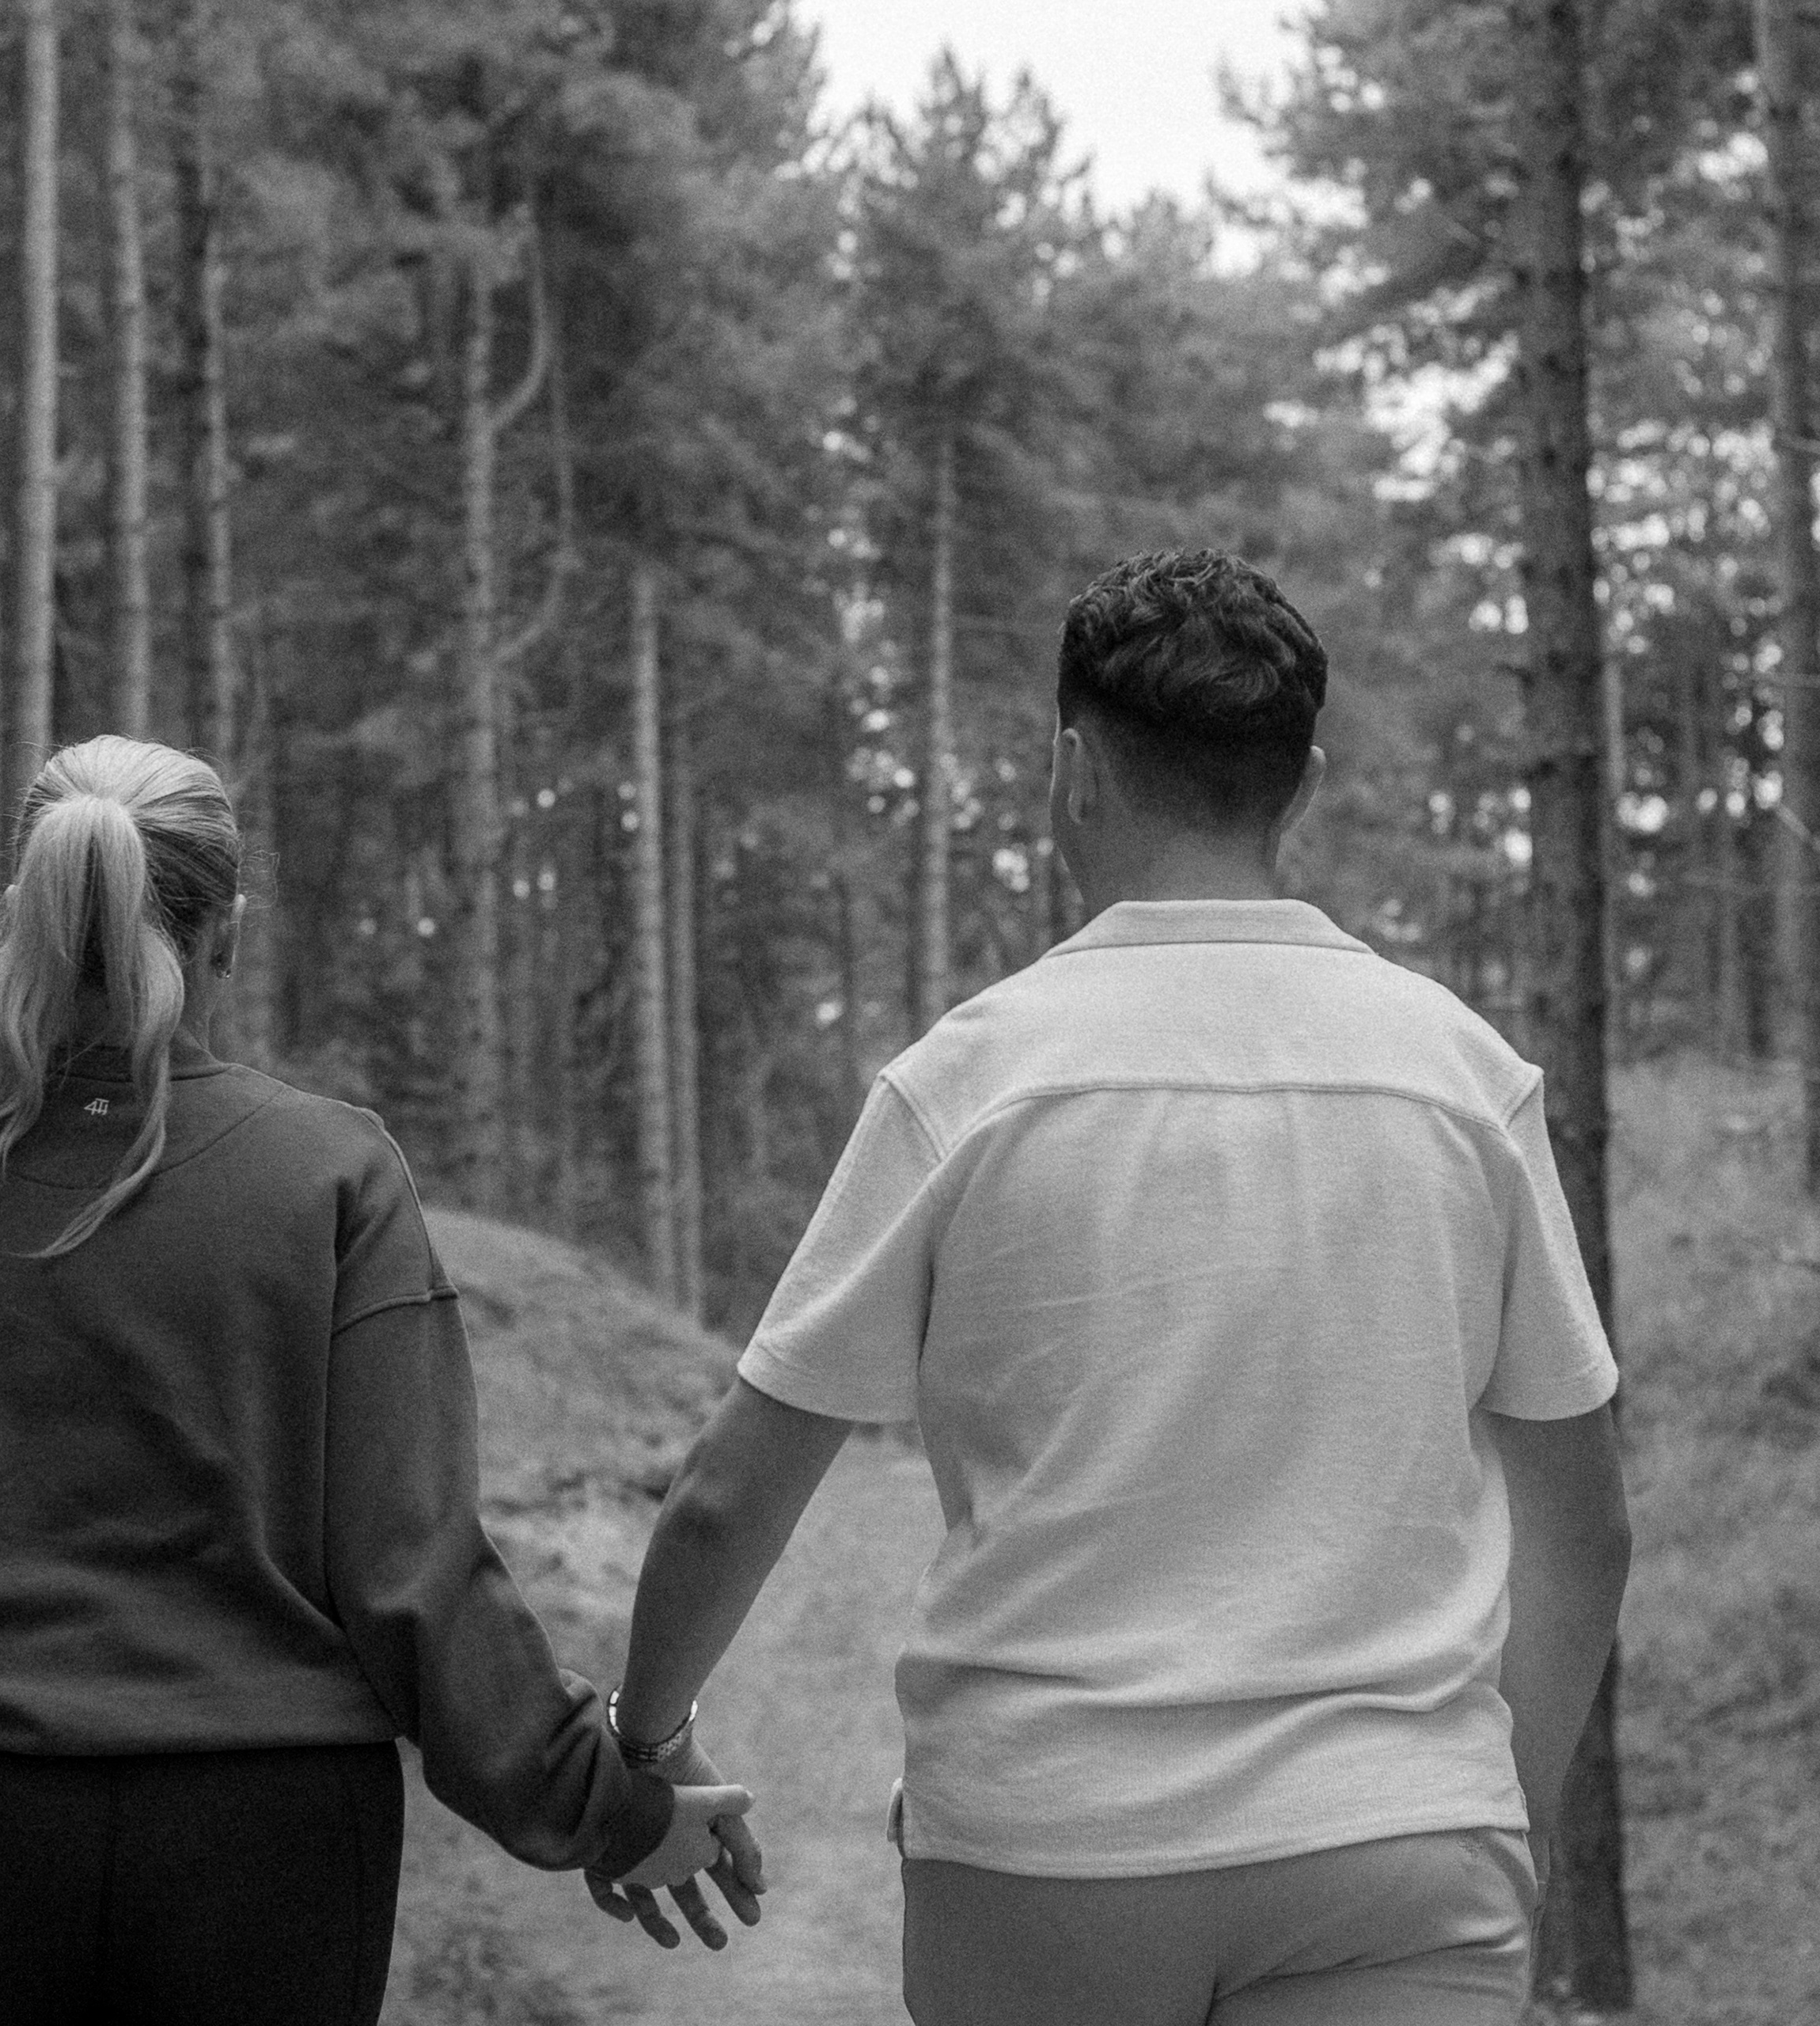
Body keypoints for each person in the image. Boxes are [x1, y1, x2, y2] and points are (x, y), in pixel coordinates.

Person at [589, 550, 1632, 2024]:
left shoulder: (971, 1082)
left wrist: (645, 1745)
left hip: (1047, 1848)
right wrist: (1488, 1804)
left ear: (1072, 772)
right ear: (1305, 784)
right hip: (1402, 1843)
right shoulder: (1466, 1080)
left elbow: (724, 1499)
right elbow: (1586, 1531)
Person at [0, 736, 759, 2026]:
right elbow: (413, 1571)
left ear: (24, 910)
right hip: (270, 1858)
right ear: (230, 933)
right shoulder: (329, 1174)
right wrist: (608, 1806)